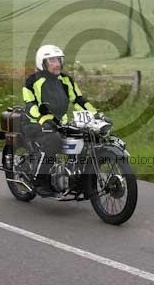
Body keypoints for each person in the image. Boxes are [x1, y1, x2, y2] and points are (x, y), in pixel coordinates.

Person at [22, 45, 97, 196]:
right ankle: (40, 181)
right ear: (42, 63)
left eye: (58, 60)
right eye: (52, 61)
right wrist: (44, 119)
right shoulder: (32, 82)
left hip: (60, 123)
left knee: (85, 138)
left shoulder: (66, 80)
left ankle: (77, 179)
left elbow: (78, 100)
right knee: (54, 141)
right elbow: (30, 105)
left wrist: (95, 115)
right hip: (35, 122)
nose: (57, 64)